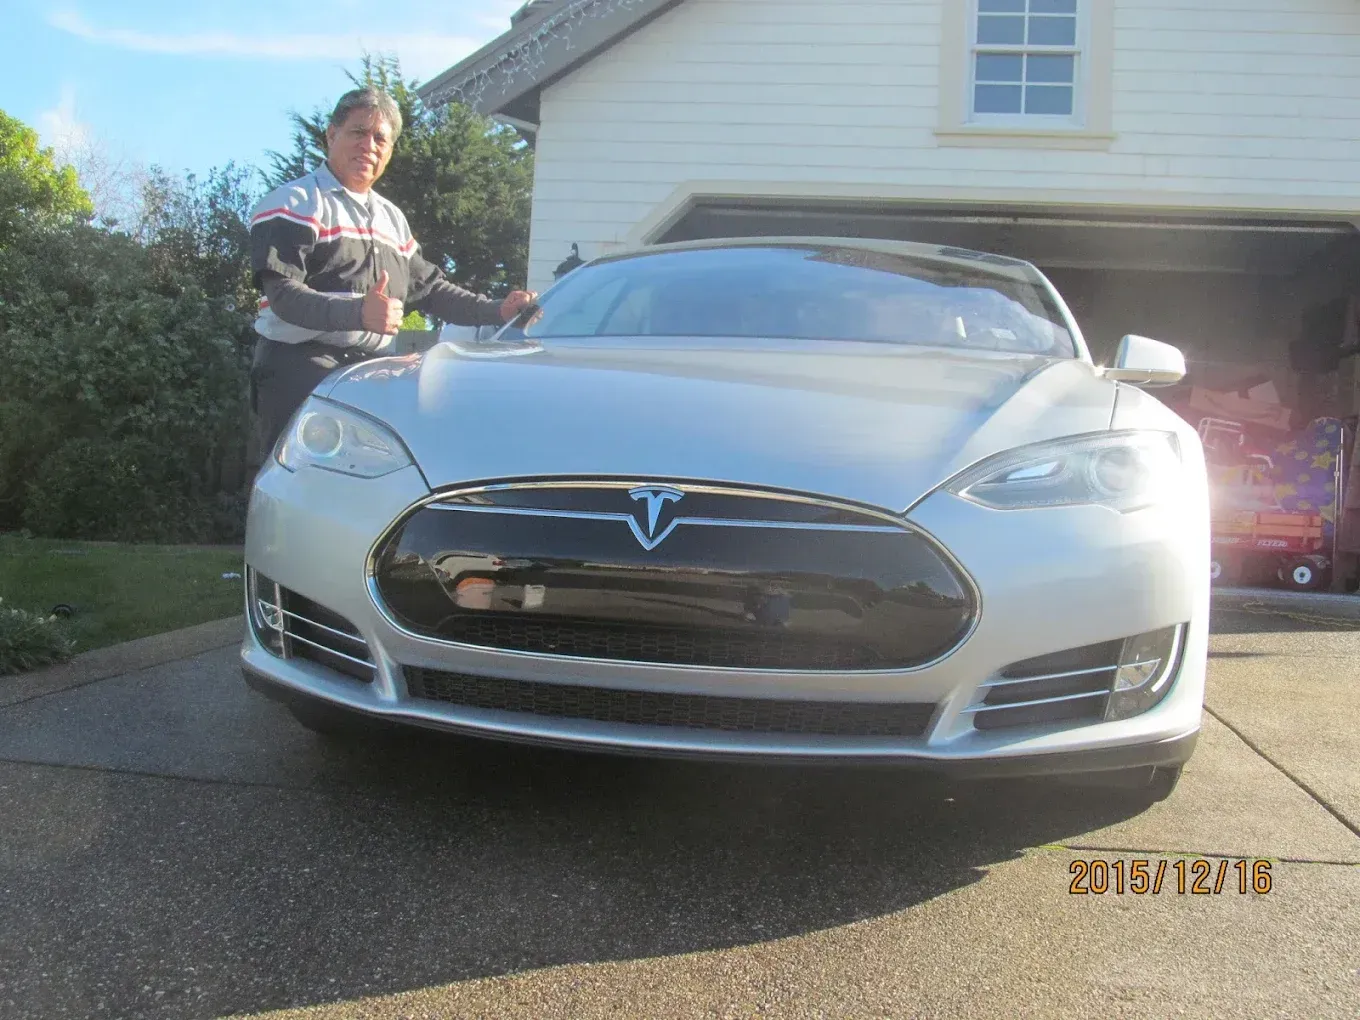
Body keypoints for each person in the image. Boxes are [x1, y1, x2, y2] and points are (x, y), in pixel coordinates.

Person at [247, 86, 536, 457]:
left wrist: (498, 309)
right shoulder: (293, 202)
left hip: (371, 372)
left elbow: (431, 290)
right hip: (299, 368)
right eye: (358, 133)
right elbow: (283, 296)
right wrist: (357, 313)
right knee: (297, 483)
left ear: (389, 151)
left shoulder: (392, 219)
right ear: (331, 135)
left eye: (380, 138)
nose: (369, 145)